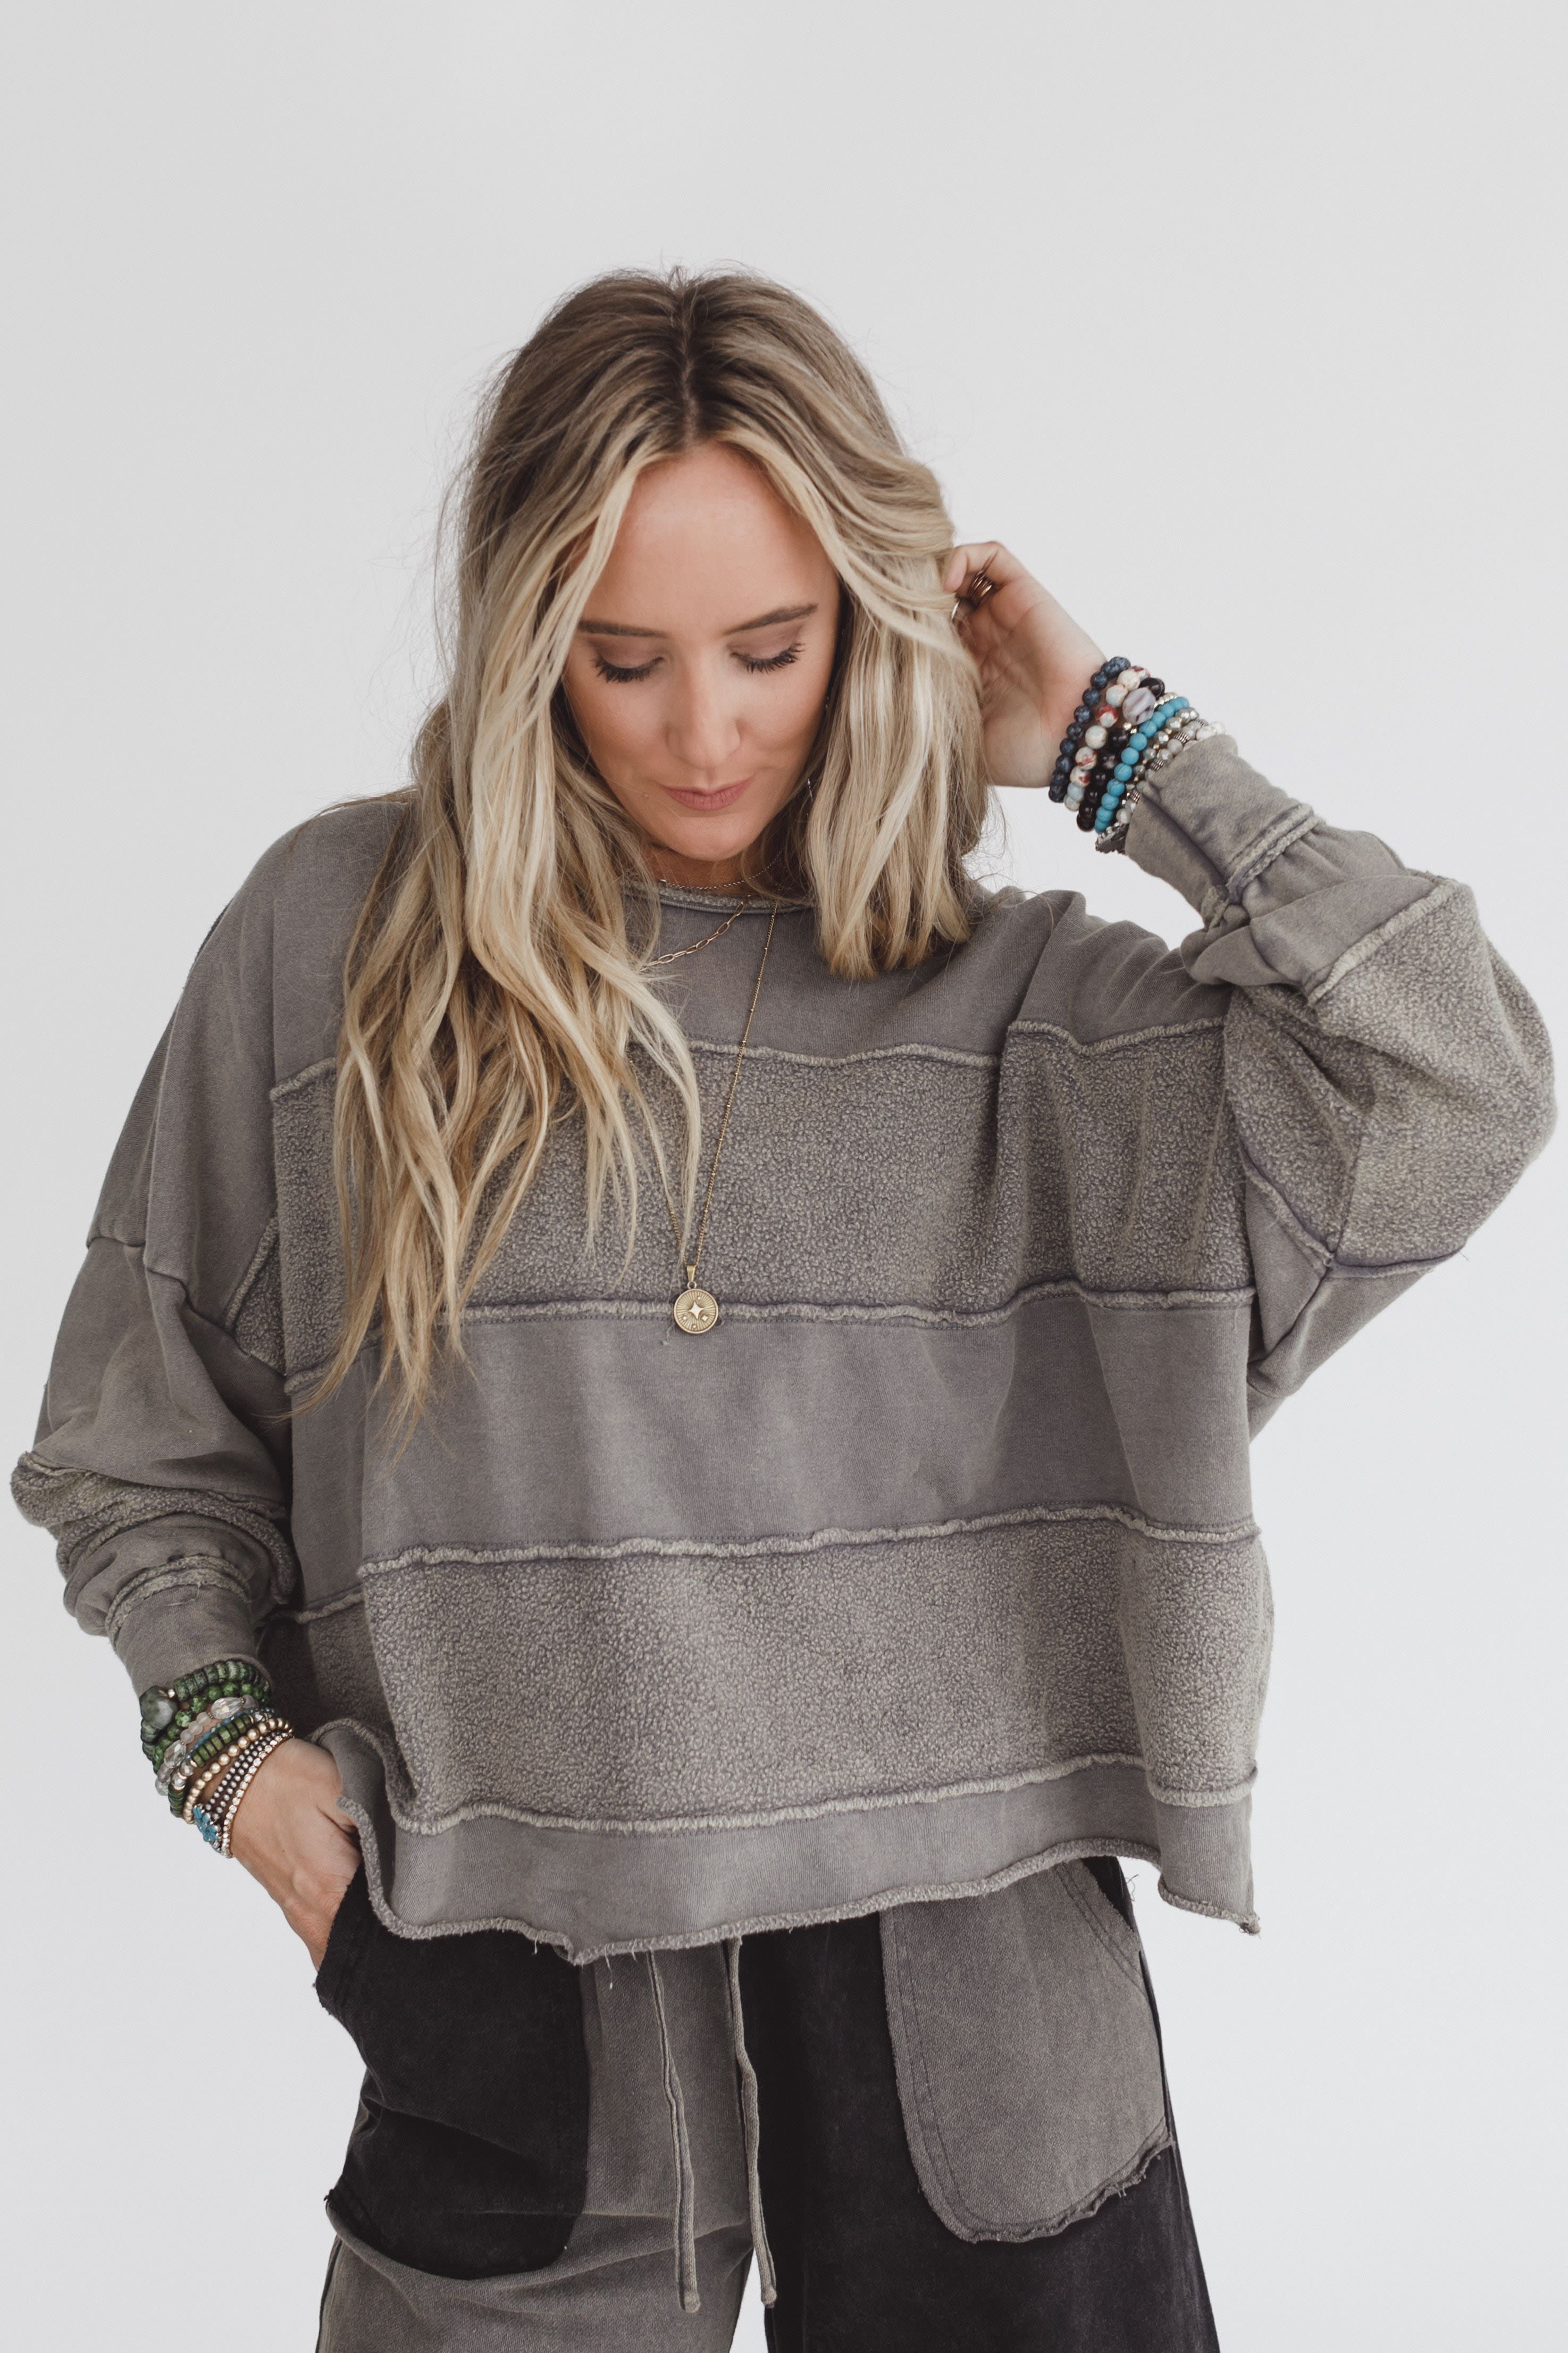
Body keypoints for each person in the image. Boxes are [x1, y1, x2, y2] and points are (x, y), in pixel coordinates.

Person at [13, 268, 1553, 2352]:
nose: (705, 728)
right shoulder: (346, 951)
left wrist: (1118, 739)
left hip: (983, 2030)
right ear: (527, 636)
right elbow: (140, 1443)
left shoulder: (1026, 1014)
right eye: (622, 656)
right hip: (523, 2038)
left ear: (868, 620)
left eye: (771, 646)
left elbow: (1458, 1080)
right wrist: (236, 1767)